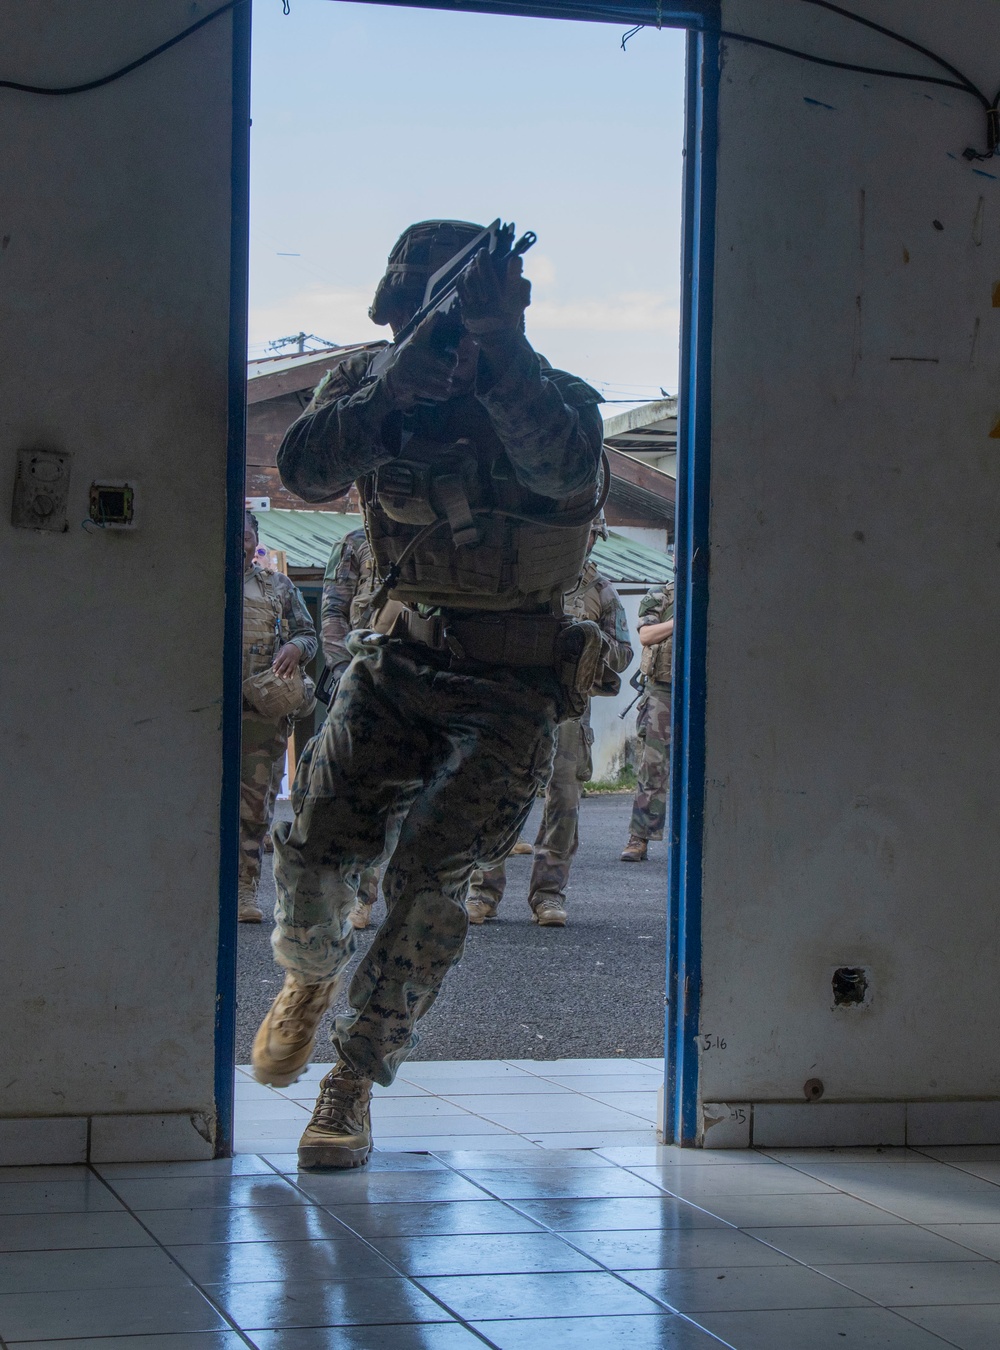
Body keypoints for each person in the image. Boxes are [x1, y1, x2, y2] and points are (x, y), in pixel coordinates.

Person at [251, 218, 609, 1169]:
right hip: (398, 660)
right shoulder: (372, 386)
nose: (434, 336)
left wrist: (504, 354)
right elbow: (304, 468)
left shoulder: (555, 395)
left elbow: (566, 472)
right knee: (315, 845)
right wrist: (385, 392)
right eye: (418, 319)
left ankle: (353, 1080)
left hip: (514, 680)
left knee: (430, 884)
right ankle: (311, 975)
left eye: (449, 319)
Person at [466, 513, 632, 926]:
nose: (585, 540)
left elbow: (624, 653)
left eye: (591, 533)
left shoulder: (600, 589)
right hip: (514, 704)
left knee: (563, 804)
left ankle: (548, 895)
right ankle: (482, 890)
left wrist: (589, 642)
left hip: (569, 713)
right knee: (495, 796)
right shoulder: (526, 578)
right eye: (580, 532)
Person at [240, 510, 318, 922]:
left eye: (246, 534)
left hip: (259, 716)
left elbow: (309, 635)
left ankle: (244, 890)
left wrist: (295, 649)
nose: (239, 542)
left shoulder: (278, 587)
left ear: (256, 540)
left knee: (253, 808)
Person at [319, 527, 380, 930]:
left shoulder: (434, 528)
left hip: (421, 675)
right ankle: (360, 896)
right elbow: (333, 613)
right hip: (364, 677)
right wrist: (344, 672)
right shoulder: (354, 543)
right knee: (363, 790)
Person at [620, 579, 674, 862]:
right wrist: (680, 621)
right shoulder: (662, 593)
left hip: (706, 689)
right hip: (663, 689)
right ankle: (639, 838)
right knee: (653, 767)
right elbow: (647, 635)